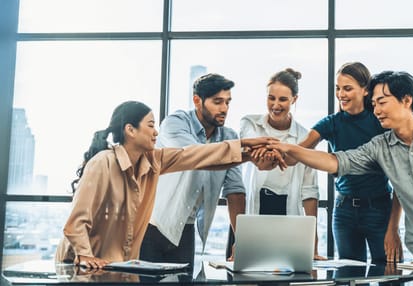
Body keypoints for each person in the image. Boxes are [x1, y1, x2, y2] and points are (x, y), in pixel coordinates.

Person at [266, 71, 413, 286]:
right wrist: (289, 148)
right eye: (374, 104)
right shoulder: (380, 146)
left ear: (406, 100)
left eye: (382, 102)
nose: (376, 110)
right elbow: (337, 161)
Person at [55, 100, 275, 269]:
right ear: (130, 130)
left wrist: (246, 151)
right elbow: (76, 221)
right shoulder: (102, 162)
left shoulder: (153, 160)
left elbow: (197, 155)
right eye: (150, 125)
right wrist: (84, 254)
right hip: (81, 265)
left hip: (117, 266)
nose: (156, 132)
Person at [293, 62, 402, 264]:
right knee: (349, 276)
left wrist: (393, 228)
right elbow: (300, 151)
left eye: (347, 88)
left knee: (390, 273)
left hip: (379, 209)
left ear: (365, 90)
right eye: (338, 88)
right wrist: (271, 149)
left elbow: (400, 178)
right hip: (344, 211)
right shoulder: (331, 123)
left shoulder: (381, 122)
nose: (341, 94)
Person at [140, 74, 245, 266]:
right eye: (217, 102)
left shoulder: (229, 137)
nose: (224, 109)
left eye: (228, 102)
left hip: (186, 230)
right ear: (197, 100)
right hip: (152, 226)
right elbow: (195, 157)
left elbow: (235, 190)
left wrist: (243, 240)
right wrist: (242, 149)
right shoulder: (175, 123)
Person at [240, 68, 323, 259]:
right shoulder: (250, 123)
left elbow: (309, 191)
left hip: (286, 212)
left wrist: (314, 240)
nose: (275, 105)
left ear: (294, 99)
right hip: (253, 212)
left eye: (283, 100)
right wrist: (275, 151)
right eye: (271, 98)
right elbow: (250, 146)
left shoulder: (304, 136)